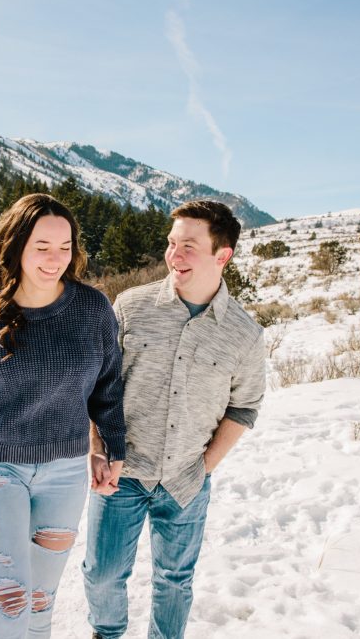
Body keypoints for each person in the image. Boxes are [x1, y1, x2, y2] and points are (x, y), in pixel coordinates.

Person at [0, 193, 126, 639]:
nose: (55, 259)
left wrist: (112, 448)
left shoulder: (92, 309)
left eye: (64, 247)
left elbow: (108, 388)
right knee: (10, 601)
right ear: (17, 246)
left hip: (65, 473)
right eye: (42, 247)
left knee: (38, 604)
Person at [82, 200, 266, 639]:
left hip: (186, 481)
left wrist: (203, 469)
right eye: (171, 244)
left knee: (175, 581)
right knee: (102, 576)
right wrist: (96, 449)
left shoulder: (244, 333)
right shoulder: (130, 307)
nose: (173, 255)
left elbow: (244, 407)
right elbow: (97, 387)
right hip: (120, 473)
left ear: (222, 255)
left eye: (188, 246)